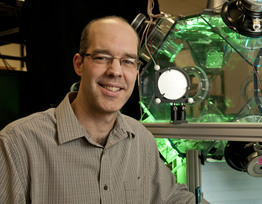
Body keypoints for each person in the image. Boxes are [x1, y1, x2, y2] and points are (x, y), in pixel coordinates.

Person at [0, 16, 209, 204]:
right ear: (79, 64)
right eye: (102, 57)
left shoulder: (140, 139)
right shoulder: (18, 144)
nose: (115, 72)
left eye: (127, 61)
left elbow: (172, 198)